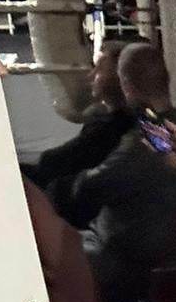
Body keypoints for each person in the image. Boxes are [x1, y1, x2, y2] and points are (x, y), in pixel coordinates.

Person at [72, 43, 176, 302]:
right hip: (164, 250)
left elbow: (89, 189)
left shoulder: (144, 142)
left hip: (121, 256)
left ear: (126, 85)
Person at [26, 40, 135, 205]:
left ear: (119, 79)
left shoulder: (109, 130)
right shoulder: (111, 121)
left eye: (100, 70)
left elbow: (54, 162)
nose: (91, 76)